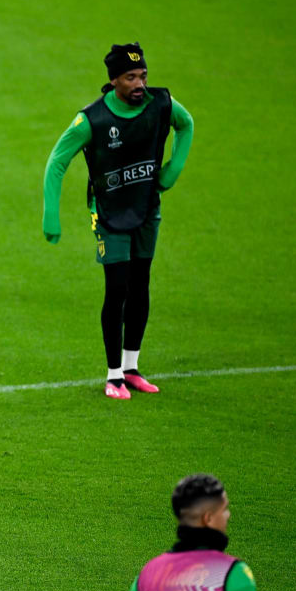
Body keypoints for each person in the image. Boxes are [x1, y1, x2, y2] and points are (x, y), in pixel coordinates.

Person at [42, 43, 194, 399]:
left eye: (142, 75)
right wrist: (51, 213)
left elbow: (186, 125)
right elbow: (57, 162)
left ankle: (132, 367)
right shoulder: (91, 120)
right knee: (118, 288)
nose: (139, 83)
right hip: (109, 212)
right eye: (130, 77)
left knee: (141, 285)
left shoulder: (161, 104)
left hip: (146, 207)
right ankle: (113, 376)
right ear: (113, 82)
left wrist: (172, 170)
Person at [101, 473, 263, 591]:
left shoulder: (149, 576)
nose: (228, 515)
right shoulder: (234, 575)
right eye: (224, 509)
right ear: (208, 518)